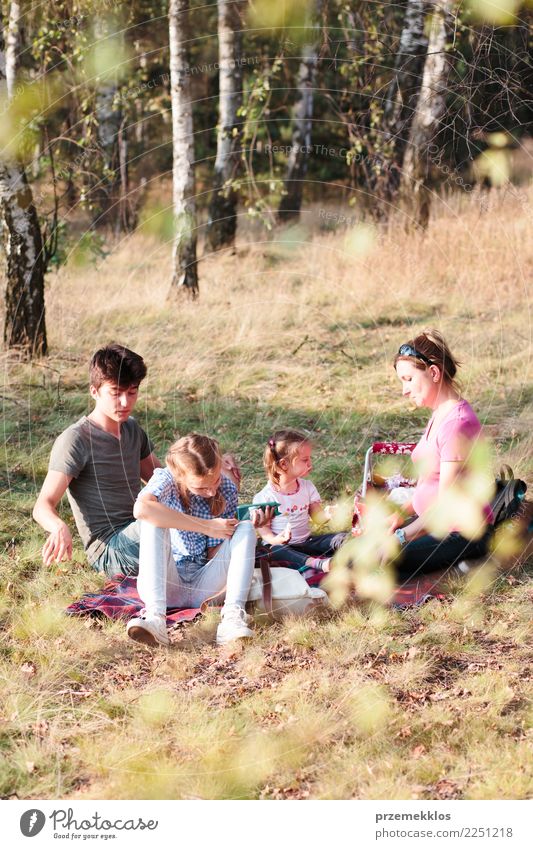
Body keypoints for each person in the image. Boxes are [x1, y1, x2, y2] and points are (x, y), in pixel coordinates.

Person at [33, 344, 242, 577]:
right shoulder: (75, 440)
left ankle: (223, 558)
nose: (125, 402)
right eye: (115, 393)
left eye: (132, 392)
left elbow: (171, 482)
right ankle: (212, 563)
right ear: (94, 391)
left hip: (145, 528)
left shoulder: (131, 429)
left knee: (222, 496)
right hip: (112, 549)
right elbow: (42, 506)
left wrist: (214, 469)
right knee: (158, 518)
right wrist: (58, 526)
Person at [128, 433, 265, 647]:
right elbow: (141, 509)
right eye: (201, 487)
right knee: (152, 519)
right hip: (166, 581)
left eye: (216, 480)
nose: (211, 492)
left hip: (205, 585)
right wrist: (207, 526)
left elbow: (214, 555)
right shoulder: (166, 478)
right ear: (179, 476)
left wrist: (235, 536)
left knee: (246, 528)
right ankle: (155, 618)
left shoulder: (225, 489)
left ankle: (231, 618)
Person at [389, 330, 492, 581]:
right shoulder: (440, 412)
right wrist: (399, 516)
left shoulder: (456, 424)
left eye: (408, 379)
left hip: (460, 533)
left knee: (376, 561)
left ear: (434, 373)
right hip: (430, 523)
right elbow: (430, 484)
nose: (404, 390)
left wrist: (401, 536)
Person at [252, 429, 347, 576]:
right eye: (305, 460)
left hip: (306, 542)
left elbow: (317, 518)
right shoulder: (266, 497)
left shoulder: (307, 487)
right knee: (274, 550)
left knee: (342, 538)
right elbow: (265, 533)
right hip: (283, 547)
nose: (310, 463)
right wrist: (277, 539)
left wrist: (327, 514)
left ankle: (348, 562)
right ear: (284, 464)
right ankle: (315, 563)